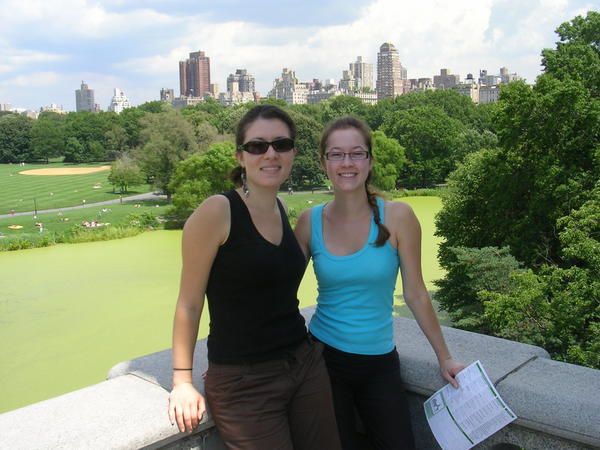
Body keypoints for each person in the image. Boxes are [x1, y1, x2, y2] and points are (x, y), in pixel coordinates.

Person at [168, 105, 341, 450]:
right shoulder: (218, 211)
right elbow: (189, 303)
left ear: (292, 153)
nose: (271, 153)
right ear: (240, 156)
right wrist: (182, 379)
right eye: (257, 146)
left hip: (303, 364)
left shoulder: (279, 207)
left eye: (281, 144)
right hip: (244, 381)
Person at [295, 117, 465, 450]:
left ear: (370, 161)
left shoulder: (399, 217)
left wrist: (445, 357)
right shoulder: (308, 221)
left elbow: (415, 293)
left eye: (356, 153)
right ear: (323, 163)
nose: (347, 163)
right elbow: (277, 293)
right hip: (323, 361)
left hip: (379, 362)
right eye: (336, 154)